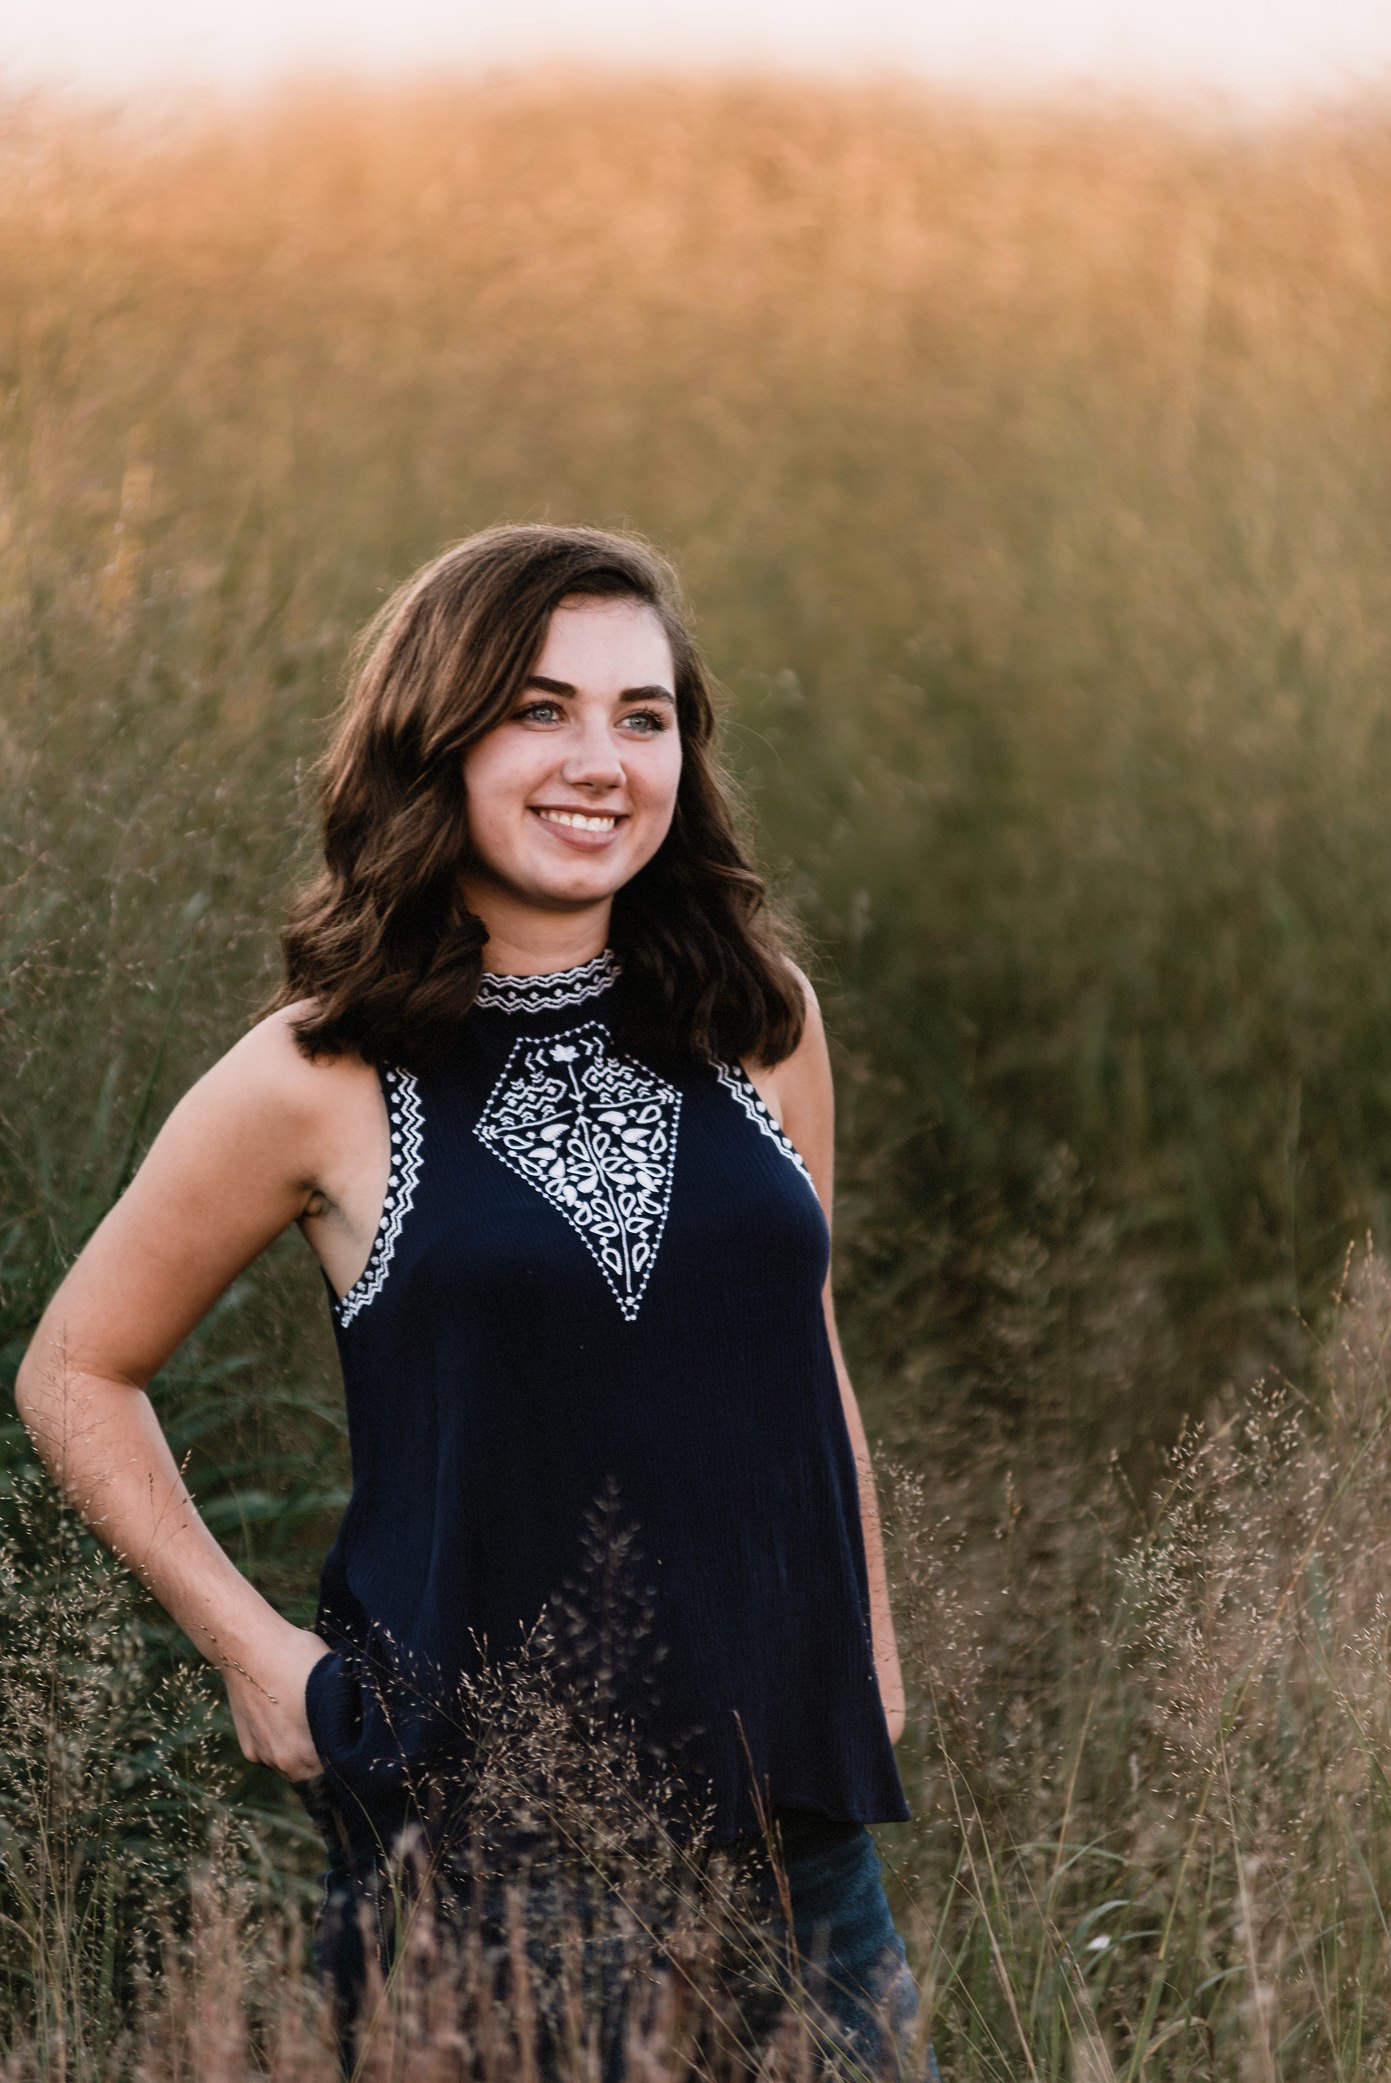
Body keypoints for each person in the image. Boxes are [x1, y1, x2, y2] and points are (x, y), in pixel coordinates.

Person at [15, 523, 940, 2080]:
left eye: (642, 717)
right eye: (540, 709)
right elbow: (75, 1368)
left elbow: (803, 1339)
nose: (601, 760)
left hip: (795, 1834)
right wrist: (253, 1651)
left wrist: (870, 1642)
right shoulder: (316, 1075)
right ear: (434, 739)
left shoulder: (760, 1019)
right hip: (486, 1863)